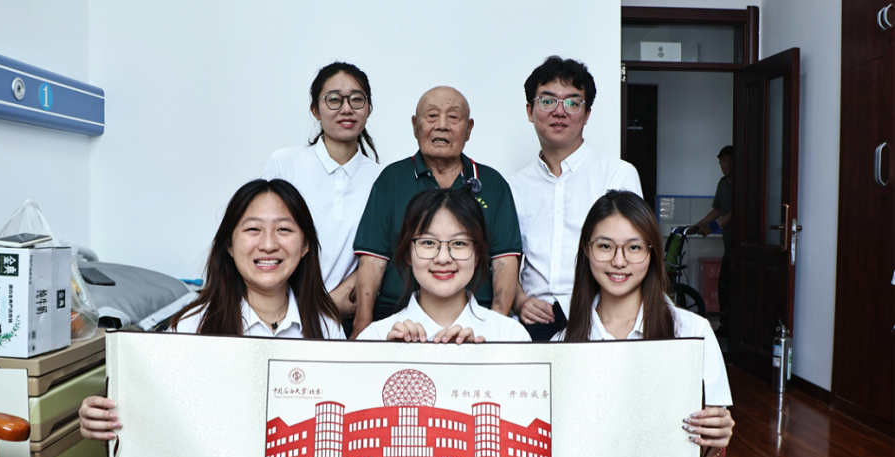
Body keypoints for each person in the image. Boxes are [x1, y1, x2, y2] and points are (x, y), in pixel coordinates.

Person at [79, 179, 380, 457]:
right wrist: (103, 419)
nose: (268, 243)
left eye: (284, 229)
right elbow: (157, 429)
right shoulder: (191, 327)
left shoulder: (326, 328)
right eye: (253, 229)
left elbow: (329, 440)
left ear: (305, 246)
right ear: (229, 244)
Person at [357, 188, 544, 457]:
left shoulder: (509, 335)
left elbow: (532, 447)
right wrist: (384, 365)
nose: (443, 257)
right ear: (407, 253)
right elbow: (360, 454)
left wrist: (483, 372)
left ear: (479, 254)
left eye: (459, 244)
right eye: (428, 243)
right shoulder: (376, 338)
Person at [555, 190, 744, 457]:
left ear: (652, 253)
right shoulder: (564, 346)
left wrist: (717, 440)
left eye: (634, 247)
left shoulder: (692, 331)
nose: (619, 261)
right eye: (605, 246)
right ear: (586, 251)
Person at [351, 86, 522, 338]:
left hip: (476, 316)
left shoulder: (492, 183)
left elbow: (505, 262)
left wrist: (494, 329)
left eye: (453, 117)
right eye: (432, 116)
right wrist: (363, 327)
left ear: (469, 128)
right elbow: (372, 260)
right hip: (396, 315)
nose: (442, 125)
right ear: (415, 125)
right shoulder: (391, 179)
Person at [510, 56, 642, 341]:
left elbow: (632, 255)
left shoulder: (617, 175)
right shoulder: (513, 187)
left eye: (572, 103)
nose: (559, 112)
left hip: (600, 318)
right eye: (547, 101)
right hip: (534, 320)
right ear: (530, 111)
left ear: (587, 113)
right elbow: (503, 258)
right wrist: (519, 301)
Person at [263, 62, 381, 333]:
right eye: (334, 99)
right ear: (315, 110)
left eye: (356, 99)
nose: (346, 108)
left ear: (368, 108)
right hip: (280, 317)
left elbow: (379, 256)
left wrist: (329, 307)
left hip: (342, 322)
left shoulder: (381, 179)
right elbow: (266, 240)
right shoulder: (285, 164)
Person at [694, 145, 734, 338]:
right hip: (729, 248)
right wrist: (698, 225)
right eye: (723, 162)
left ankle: (735, 328)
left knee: (735, 289)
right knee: (723, 288)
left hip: (741, 249)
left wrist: (712, 228)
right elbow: (718, 210)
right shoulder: (722, 183)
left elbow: (733, 214)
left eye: (729, 161)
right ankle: (725, 326)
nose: (726, 165)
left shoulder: (742, 183)